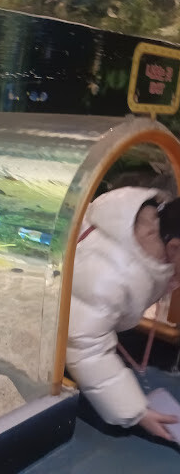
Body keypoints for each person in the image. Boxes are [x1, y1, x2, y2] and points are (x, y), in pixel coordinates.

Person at [67, 186, 180, 441]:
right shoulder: (110, 276)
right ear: (174, 247)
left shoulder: (149, 226)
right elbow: (86, 346)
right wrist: (136, 412)